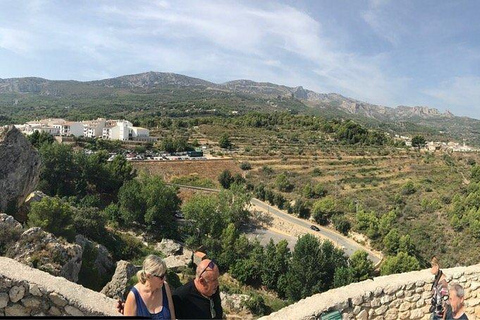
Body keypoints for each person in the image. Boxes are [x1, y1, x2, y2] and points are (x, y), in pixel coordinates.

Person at [123, 255, 176, 319]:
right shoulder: (134, 296)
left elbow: (172, 317)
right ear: (148, 276)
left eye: (165, 274)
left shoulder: (165, 287)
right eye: (161, 276)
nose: (164, 278)